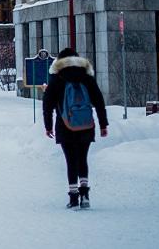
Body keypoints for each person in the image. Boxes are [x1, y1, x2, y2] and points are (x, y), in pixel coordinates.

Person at [43, 47, 109, 210]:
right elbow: (99, 101)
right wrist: (103, 124)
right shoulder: (87, 77)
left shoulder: (57, 78)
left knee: (70, 160)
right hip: (86, 125)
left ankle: (73, 197)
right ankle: (85, 195)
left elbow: (47, 105)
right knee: (82, 158)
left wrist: (48, 126)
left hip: (64, 124)